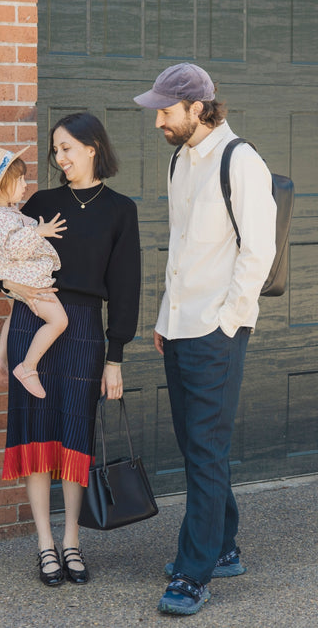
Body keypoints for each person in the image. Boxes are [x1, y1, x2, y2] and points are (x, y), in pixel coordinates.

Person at [134, 63, 276, 616]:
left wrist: (229, 320)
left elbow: (257, 251)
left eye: (166, 112)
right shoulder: (179, 161)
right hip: (180, 327)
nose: (158, 122)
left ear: (198, 108)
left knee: (208, 448)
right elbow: (184, 248)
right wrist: (166, 317)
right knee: (199, 447)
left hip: (217, 330)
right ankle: (224, 547)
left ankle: (194, 573)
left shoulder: (240, 160)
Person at [0, 113, 141, 586]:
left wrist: (116, 358)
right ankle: (45, 545)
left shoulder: (120, 210)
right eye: (55, 150)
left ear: (93, 147)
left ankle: (72, 541)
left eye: (67, 148)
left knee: (73, 438)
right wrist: (14, 294)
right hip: (35, 320)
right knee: (36, 437)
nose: (59, 158)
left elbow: (125, 289)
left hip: (85, 329)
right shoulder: (39, 203)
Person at [0, 146, 68, 399]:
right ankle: (27, 367)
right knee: (59, 321)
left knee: (14, 314)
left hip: (14, 281)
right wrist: (39, 231)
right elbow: (14, 247)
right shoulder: (4, 218)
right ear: (2, 185)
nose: (25, 184)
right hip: (31, 282)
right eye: (19, 179)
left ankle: (0, 358)